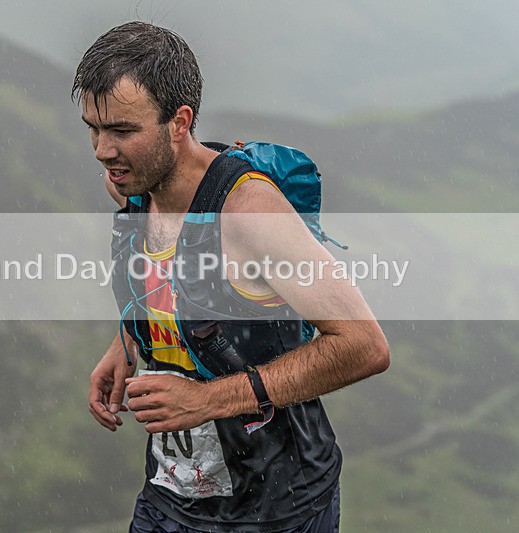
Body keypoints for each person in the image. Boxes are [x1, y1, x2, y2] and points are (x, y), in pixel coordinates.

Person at [73, 21, 389, 533]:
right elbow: (168, 282)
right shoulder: (133, 185)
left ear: (180, 122)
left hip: (279, 508)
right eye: (93, 127)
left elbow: (363, 345)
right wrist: (128, 342)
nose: (102, 151)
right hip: (171, 499)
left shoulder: (248, 214)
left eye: (123, 131)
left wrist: (203, 402)